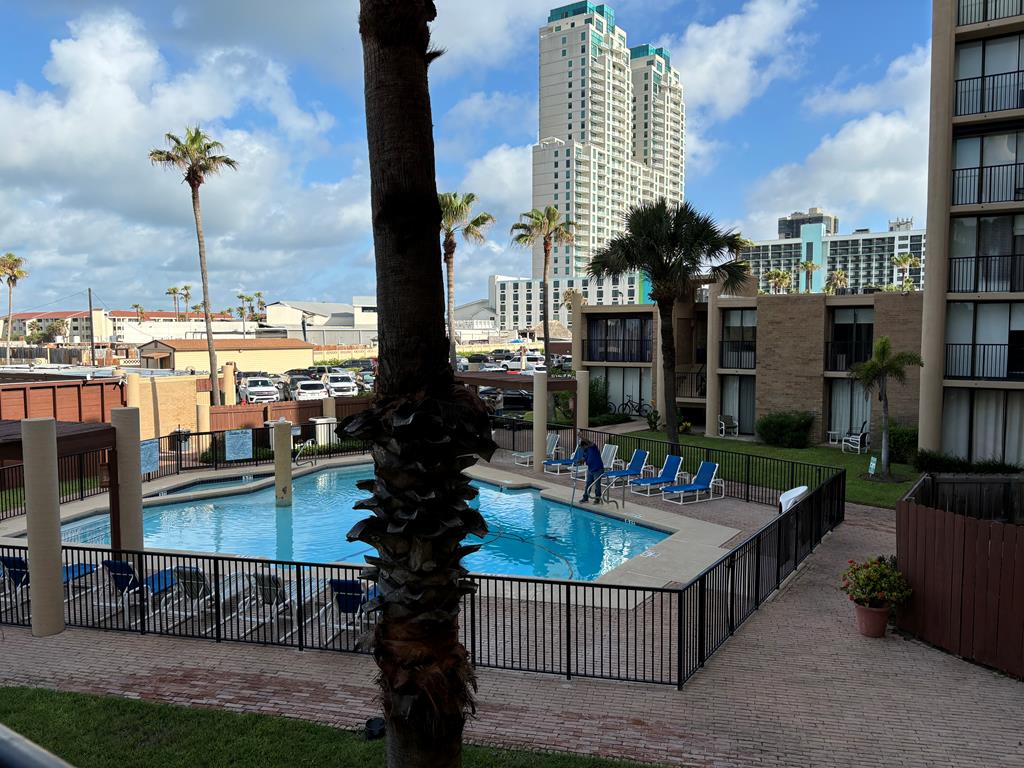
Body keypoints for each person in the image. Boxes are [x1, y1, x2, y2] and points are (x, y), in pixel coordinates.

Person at [578, 439, 604, 504]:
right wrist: (580, 461)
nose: (582, 448)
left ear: (586, 445)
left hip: (598, 470)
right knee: (588, 484)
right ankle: (585, 498)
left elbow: (591, 443)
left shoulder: (593, 448)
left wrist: (581, 436)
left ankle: (597, 499)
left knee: (597, 485)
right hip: (590, 470)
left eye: (582, 447)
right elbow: (584, 459)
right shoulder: (585, 452)